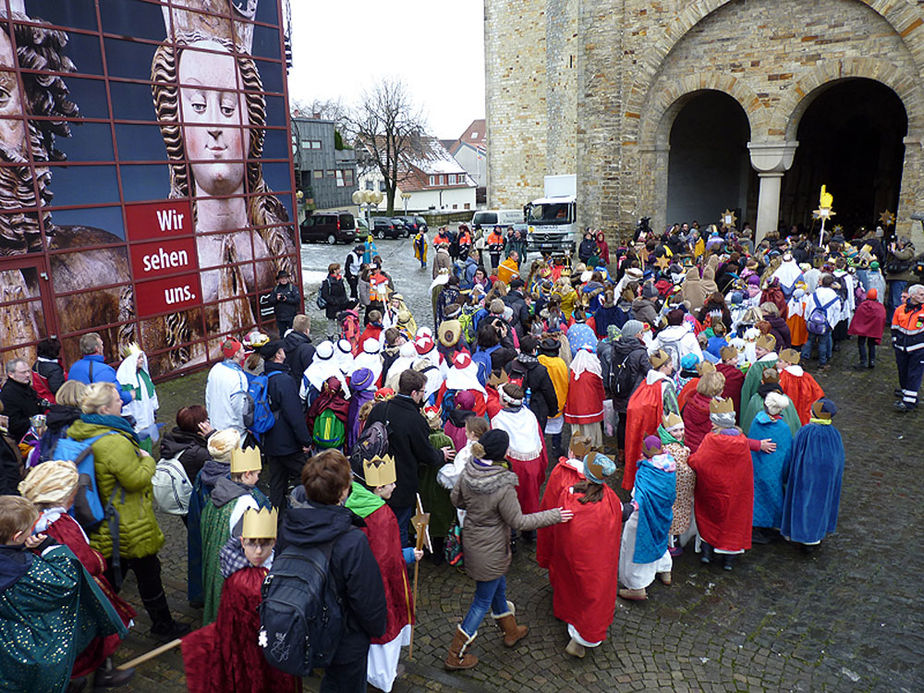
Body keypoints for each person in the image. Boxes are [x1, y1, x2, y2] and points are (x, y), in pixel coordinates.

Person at [66, 382, 189, 639]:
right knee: (145, 573)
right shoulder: (115, 442)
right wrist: (147, 460)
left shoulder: (80, 431)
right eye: (116, 400)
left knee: (116, 575)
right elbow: (135, 480)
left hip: (102, 518)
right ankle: (155, 627)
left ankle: (99, 632)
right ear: (104, 408)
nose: (122, 401)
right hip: (128, 521)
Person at [446, 429, 572, 670]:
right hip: (491, 549)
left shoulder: (470, 469)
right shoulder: (503, 485)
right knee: (482, 601)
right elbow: (519, 522)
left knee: (498, 588)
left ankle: (510, 630)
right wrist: (555, 515)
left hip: (475, 541)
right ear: (502, 453)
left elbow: (456, 499)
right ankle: (456, 654)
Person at [18, 460, 137, 689]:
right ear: (63, 495)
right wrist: (98, 560)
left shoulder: (30, 519)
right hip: (75, 592)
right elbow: (87, 563)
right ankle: (87, 677)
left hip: (49, 592)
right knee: (96, 633)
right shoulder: (60, 525)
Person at [278, 450, 387, 690]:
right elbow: (367, 597)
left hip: (304, 622)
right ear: (343, 491)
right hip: (343, 637)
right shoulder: (352, 541)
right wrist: (376, 628)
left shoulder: (289, 523)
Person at [0, 495, 129, 693]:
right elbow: (66, 581)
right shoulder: (26, 569)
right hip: (28, 643)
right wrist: (49, 547)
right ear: (17, 536)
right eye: (28, 530)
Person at [182, 507, 300, 693]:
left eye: (265, 544)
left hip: (270, 649)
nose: (259, 551)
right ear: (242, 542)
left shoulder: (276, 572)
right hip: (246, 652)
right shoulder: (239, 580)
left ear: (274, 543)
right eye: (253, 544)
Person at [537, 441, 622, 658]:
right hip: (597, 563)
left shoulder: (569, 494)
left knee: (571, 587)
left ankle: (574, 630)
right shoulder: (610, 499)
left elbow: (561, 520)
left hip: (570, 556)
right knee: (591, 595)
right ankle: (581, 638)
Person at [345, 453, 419, 692]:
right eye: (390, 483)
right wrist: (407, 556)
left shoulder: (351, 498)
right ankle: (382, 679)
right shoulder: (382, 515)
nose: (395, 486)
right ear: (377, 487)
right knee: (384, 629)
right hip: (380, 586)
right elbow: (388, 559)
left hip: (355, 581)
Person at [365, 369, 452, 547]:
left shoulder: (380, 408)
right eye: (422, 392)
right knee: (399, 528)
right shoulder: (415, 419)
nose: (422, 396)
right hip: (401, 482)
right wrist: (441, 454)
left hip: (375, 478)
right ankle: (400, 563)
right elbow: (425, 454)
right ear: (414, 393)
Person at [688, 398, 759, 571]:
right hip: (736, 491)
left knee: (709, 518)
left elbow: (699, 461)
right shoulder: (742, 442)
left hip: (712, 489)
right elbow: (746, 467)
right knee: (733, 522)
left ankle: (707, 553)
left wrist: (688, 459)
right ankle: (728, 561)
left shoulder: (711, 440)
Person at [780, 398, 845, 548]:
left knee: (804, 502)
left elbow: (793, 454)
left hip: (805, 475)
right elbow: (839, 458)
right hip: (826, 477)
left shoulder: (805, 431)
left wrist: (787, 472)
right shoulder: (835, 435)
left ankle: (804, 535)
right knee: (821, 503)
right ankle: (816, 536)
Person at [618, 436, 676, 600]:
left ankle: (637, 586)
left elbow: (640, 496)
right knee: (660, 539)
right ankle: (665, 570)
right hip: (663, 514)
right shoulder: (670, 466)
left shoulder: (647, 470)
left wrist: (631, 508)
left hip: (643, 517)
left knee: (636, 547)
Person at [260, 340, 313, 512]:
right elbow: (294, 414)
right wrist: (305, 440)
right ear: (278, 355)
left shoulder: (264, 377)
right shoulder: (284, 380)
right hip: (288, 443)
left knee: (277, 483)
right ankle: (307, 512)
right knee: (309, 476)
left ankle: (275, 519)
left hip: (270, 439)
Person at [490, 383, 548, 522]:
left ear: (505, 401)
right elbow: (541, 443)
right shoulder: (530, 415)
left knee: (511, 500)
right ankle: (530, 531)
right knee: (531, 499)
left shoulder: (498, 420)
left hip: (512, 465)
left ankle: (513, 534)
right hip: (533, 463)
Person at [624, 350, 679, 491]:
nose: (672, 367)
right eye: (670, 364)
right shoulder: (666, 386)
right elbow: (673, 412)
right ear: (663, 367)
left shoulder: (645, 382)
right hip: (657, 430)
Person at [747, 391, 794, 544]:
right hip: (774, 471)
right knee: (773, 498)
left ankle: (756, 527)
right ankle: (768, 526)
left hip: (757, 467)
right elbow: (787, 452)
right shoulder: (783, 428)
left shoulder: (756, 421)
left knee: (758, 498)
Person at [658, 413, 694, 553]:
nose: (679, 433)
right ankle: (671, 545)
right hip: (677, 489)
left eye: (681, 430)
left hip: (670, 488)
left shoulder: (666, 445)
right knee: (674, 516)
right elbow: (685, 471)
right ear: (668, 432)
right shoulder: (676, 450)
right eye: (675, 430)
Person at [507, 334, 558, 431]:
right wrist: (553, 410)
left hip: (514, 407)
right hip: (536, 409)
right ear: (534, 350)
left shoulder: (511, 365)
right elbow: (549, 392)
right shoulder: (540, 370)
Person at [115, 345, 159, 451]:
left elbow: (151, 393)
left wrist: (154, 408)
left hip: (147, 416)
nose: (142, 360)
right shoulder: (125, 378)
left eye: (142, 357)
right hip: (136, 418)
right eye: (139, 358)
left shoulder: (143, 375)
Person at [67, 333, 132, 405]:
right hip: (97, 412)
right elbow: (115, 397)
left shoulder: (74, 367)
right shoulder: (103, 370)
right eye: (101, 344)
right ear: (97, 349)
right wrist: (130, 395)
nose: (103, 347)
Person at [159, 404, 215, 487]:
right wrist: (212, 436)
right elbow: (223, 462)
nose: (208, 423)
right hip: (191, 495)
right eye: (206, 420)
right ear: (200, 426)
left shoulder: (170, 441)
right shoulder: (198, 453)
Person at [205, 338, 250, 435]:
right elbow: (239, 406)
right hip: (233, 432)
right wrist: (245, 426)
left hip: (215, 427)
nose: (244, 351)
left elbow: (208, 397)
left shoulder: (215, 369)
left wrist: (210, 419)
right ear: (236, 354)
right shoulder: (239, 376)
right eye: (242, 349)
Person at [564, 343, 605, 448]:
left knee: (578, 428)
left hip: (575, 406)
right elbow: (600, 391)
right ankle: (593, 444)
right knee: (591, 427)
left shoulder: (573, 372)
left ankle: (578, 446)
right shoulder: (594, 373)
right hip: (591, 406)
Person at [891, 283, 924, 412]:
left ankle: (909, 403)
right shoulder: (900, 310)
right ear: (912, 295)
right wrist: (895, 342)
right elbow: (895, 326)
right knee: (903, 371)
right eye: (921, 294)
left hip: (919, 348)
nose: (923, 297)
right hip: (901, 347)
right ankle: (908, 394)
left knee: (914, 374)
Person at [801, 274, 840, 372]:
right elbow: (837, 311)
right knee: (823, 343)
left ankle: (804, 360)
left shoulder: (814, 294)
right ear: (831, 284)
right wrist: (833, 325)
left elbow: (808, 308)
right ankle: (822, 363)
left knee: (809, 341)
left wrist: (807, 319)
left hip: (812, 322)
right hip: (826, 324)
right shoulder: (834, 296)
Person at [0, 357, 45, 443]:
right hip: (22, 440)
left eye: (28, 371)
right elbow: (13, 423)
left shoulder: (26, 387)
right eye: (23, 372)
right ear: (11, 374)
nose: (28, 375)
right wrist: (35, 421)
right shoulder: (8, 394)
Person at [776, 349, 824, 425]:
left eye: (780, 361)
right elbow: (818, 393)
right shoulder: (806, 376)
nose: (777, 363)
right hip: (804, 409)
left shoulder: (783, 376)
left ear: (789, 363)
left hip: (789, 409)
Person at [848, 288, 886, 369]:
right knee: (871, 344)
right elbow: (882, 318)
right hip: (873, 329)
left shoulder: (863, 305)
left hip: (862, 329)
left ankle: (863, 361)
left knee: (861, 343)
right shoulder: (880, 307)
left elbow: (857, 317)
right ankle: (872, 361)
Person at [740, 333, 778, 410]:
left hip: (757, 406)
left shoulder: (756, 367)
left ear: (768, 350)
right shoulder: (778, 363)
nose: (756, 351)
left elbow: (747, 390)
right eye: (756, 348)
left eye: (759, 349)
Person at [268, 270, 300, 336]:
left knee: (293, 335)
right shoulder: (275, 289)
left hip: (291, 317)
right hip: (280, 318)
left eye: (285, 278)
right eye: (282, 278)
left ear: (288, 279)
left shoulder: (292, 288)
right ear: (279, 280)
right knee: (282, 335)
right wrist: (276, 299)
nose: (284, 280)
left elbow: (297, 300)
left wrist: (287, 299)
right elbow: (270, 302)